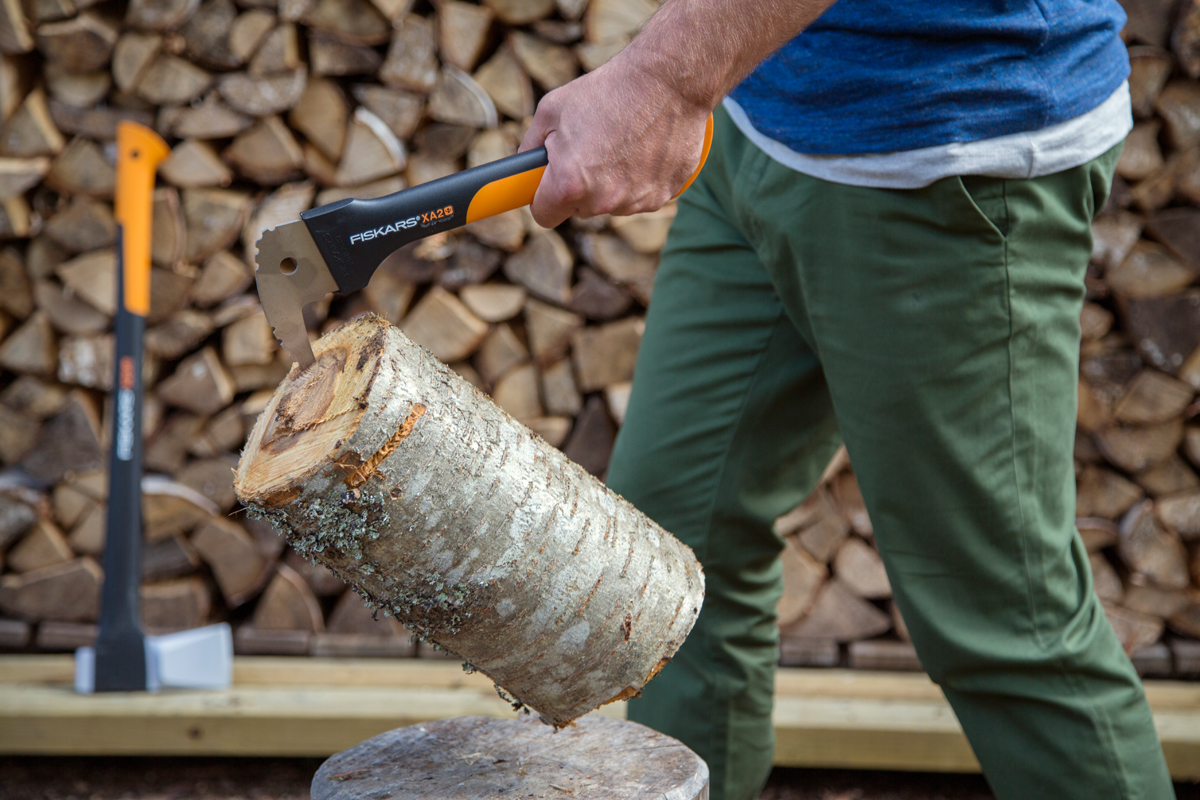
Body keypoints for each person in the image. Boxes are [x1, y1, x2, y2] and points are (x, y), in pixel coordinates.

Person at [518, 0, 1175, 798]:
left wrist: (665, 78)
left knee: (1005, 624)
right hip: (757, 113)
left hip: (943, 153)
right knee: (675, 557)